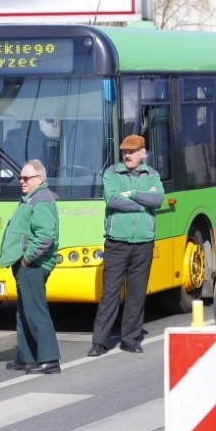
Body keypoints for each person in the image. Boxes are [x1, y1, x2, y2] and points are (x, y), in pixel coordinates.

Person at [88, 134, 164, 357]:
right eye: (124, 152)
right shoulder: (112, 173)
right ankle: (99, 342)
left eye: (132, 152)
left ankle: (130, 339)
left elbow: (158, 200)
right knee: (110, 293)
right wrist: (141, 203)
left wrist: (131, 195)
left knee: (137, 293)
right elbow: (112, 199)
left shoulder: (152, 174)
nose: (127, 155)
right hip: (117, 242)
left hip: (143, 242)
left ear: (143, 153)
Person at [0, 159, 62, 374]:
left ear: (40, 179)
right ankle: (26, 358)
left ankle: (49, 359)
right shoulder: (30, 198)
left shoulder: (41, 200)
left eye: (26, 178)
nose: (22, 181)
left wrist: (27, 259)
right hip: (25, 263)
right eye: (20, 177)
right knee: (24, 311)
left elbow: (46, 237)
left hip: (34, 264)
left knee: (36, 311)